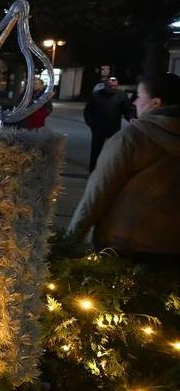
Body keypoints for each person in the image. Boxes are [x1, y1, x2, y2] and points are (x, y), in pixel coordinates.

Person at [69, 73, 180, 260]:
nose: (134, 102)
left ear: (155, 103)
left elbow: (98, 193)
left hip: (125, 245)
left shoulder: (132, 139)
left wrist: (71, 241)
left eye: (139, 96)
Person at [83, 76, 135, 170]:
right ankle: (93, 170)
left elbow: (127, 109)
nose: (113, 88)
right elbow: (88, 111)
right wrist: (91, 123)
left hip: (114, 127)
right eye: (111, 86)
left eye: (115, 86)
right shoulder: (96, 95)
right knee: (96, 151)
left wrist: (130, 118)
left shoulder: (121, 95)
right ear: (106, 86)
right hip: (98, 128)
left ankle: (112, 170)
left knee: (114, 150)